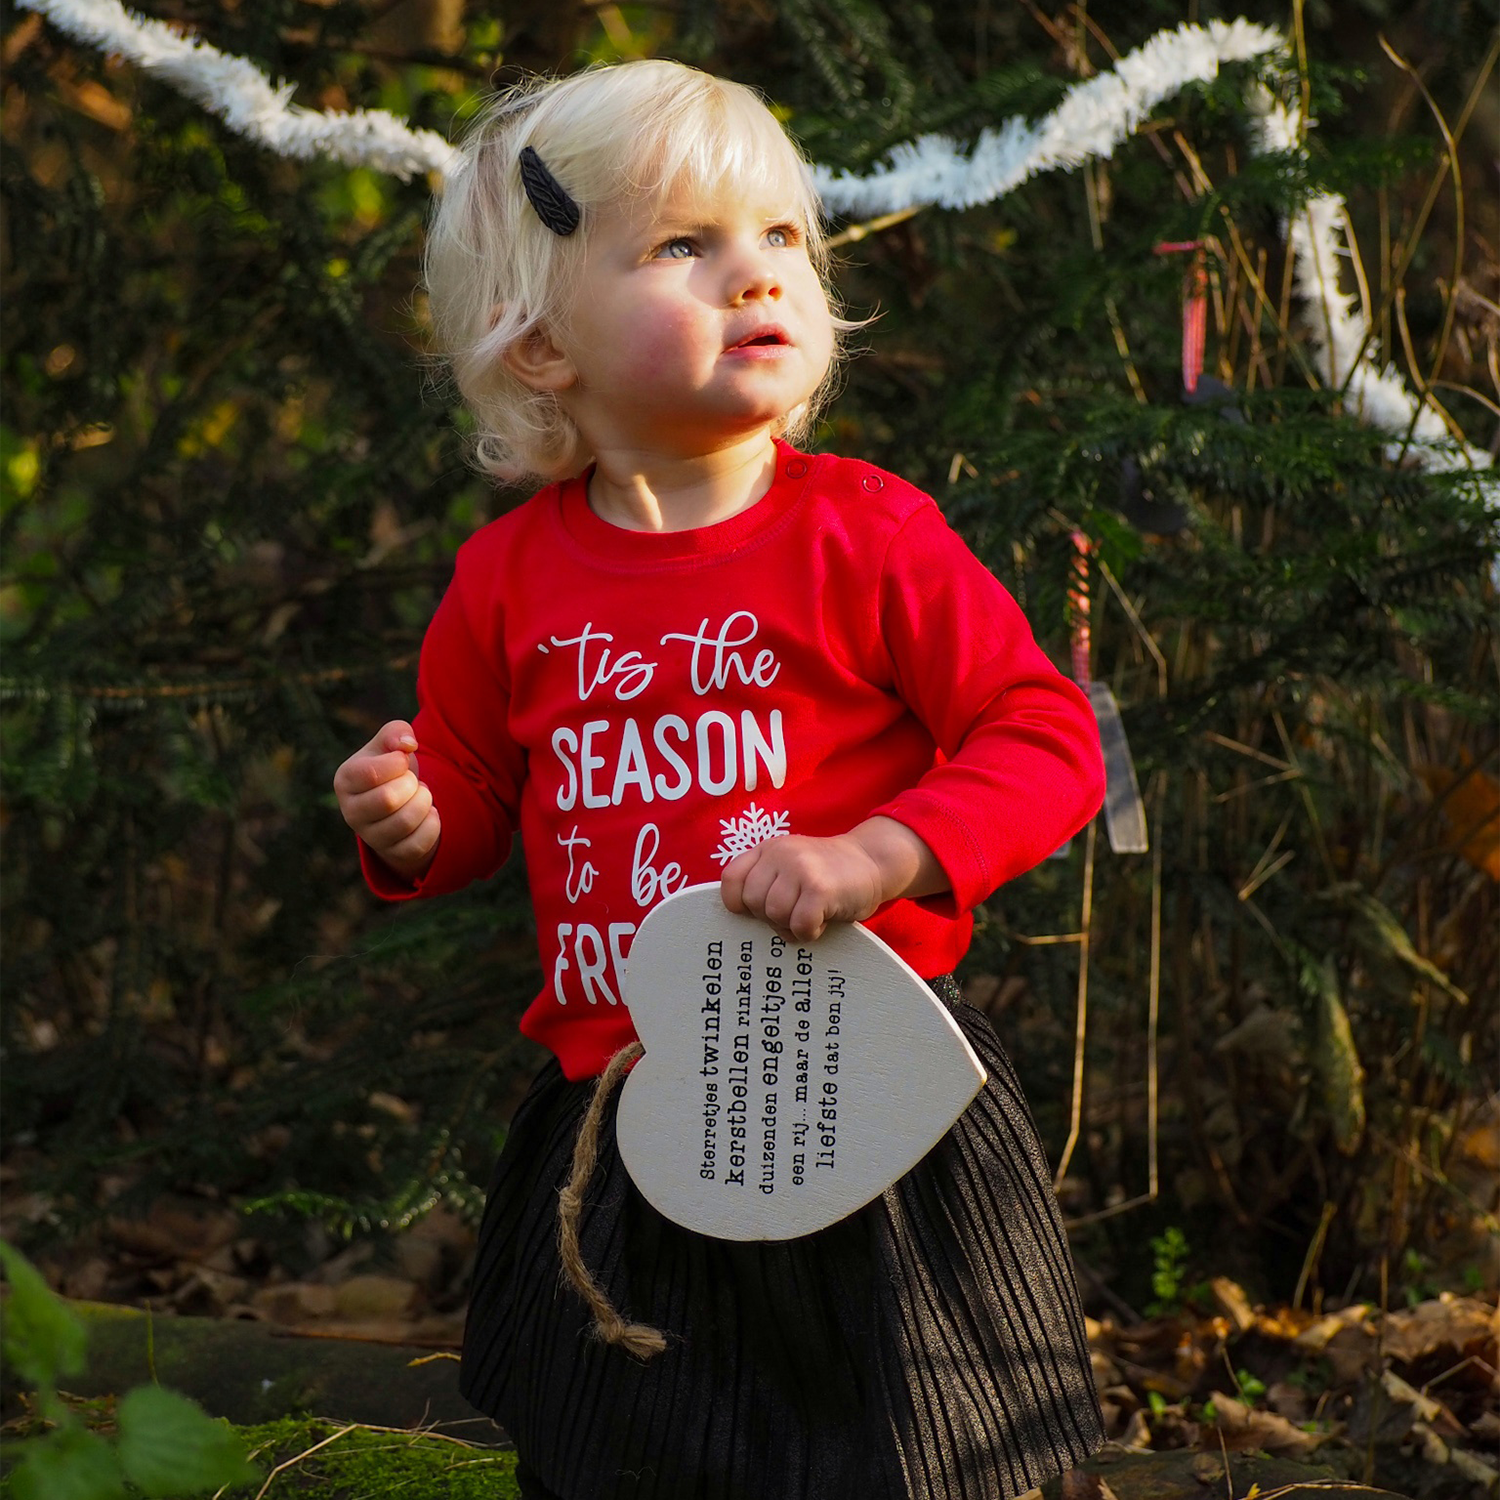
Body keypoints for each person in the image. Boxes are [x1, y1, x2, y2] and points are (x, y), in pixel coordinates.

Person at [333, 57, 1107, 1500]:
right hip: (623, 1115)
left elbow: (1047, 734)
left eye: (782, 238)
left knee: (910, 1446)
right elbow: (474, 796)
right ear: (542, 343)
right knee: (623, 1444)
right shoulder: (508, 578)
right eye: (687, 245)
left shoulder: (863, 536)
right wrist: (415, 814)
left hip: (854, 1087)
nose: (756, 275)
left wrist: (881, 852)